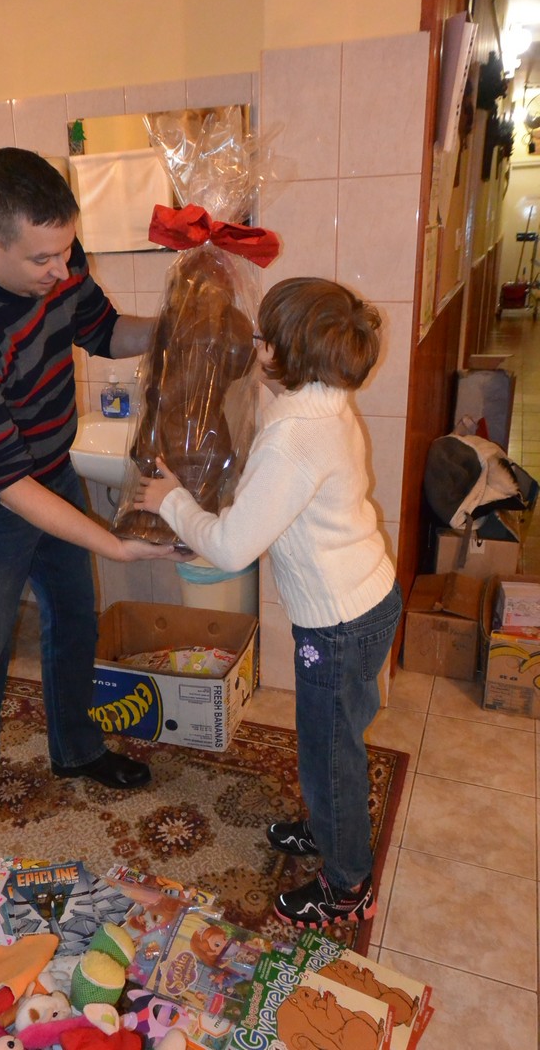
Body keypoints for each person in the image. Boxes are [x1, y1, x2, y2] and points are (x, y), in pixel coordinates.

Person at [0, 147, 182, 843]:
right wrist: (115, 543)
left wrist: (178, 331)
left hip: (49, 467)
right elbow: (5, 483)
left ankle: (78, 749)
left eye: (66, 251)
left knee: (75, 616)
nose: (62, 271)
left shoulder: (52, 251)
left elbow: (102, 330)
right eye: (43, 260)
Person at [134, 277, 403, 929]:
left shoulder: (293, 438)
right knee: (336, 738)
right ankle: (328, 826)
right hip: (367, 601)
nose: (254, 347)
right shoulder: (324, 400)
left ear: (285, 353)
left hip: (338, 624)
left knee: (328, 751)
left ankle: (347, 884)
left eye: (261, 338)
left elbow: (231, 548)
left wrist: (171, 500)